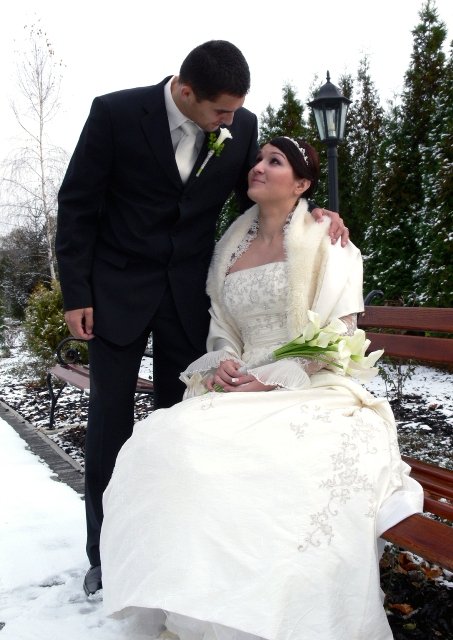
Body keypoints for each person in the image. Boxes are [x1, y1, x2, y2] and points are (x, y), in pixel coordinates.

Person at [55, 40, 349, 596]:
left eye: (236, 111)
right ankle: (105, 552)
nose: (231, 121)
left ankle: (170, 548)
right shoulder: (115, 113)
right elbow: (77, 205)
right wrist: (76, 294)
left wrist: (316, 214)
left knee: (181, 422)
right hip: (115, 292)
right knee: (110, 422)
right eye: (221, 111)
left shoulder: (241, 124)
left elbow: (261, 198)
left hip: (188, 296)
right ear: (187, 92)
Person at [100, 137, 423, 640]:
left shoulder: (328, 240)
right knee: (163, 441)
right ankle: (197, 602)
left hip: (310, 380)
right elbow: (223, 327)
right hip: (240, 382)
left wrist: (275, 378)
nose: (259, 167)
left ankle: (274, 615)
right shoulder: (230, 247)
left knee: (267, 460)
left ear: (302, 184)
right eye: (258, 158)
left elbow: (339, 334)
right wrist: (225, 362)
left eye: (275, 162)